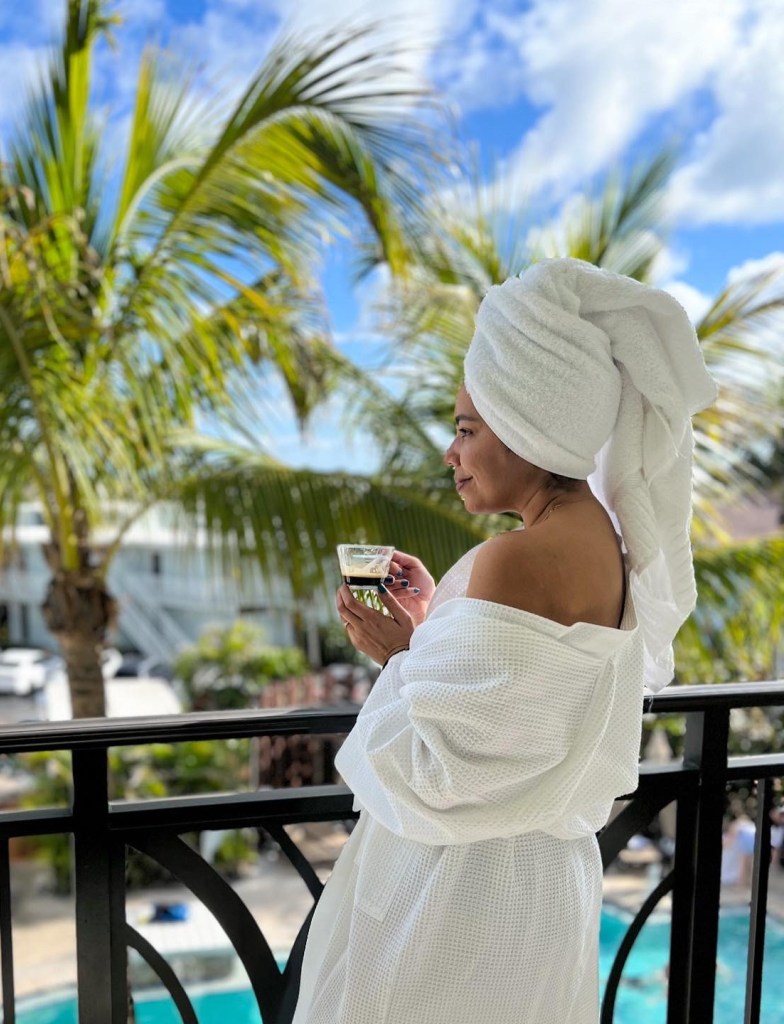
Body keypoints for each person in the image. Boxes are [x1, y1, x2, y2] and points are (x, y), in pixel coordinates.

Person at [291, 258, 717, 1024]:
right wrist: (439, 621)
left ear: (529, 425)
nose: (450, 453)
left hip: (460, 902)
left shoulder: (515, 558)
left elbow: (441, 772)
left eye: (466, 429)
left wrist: (398, 658)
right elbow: (513, 713)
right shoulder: (605, 545)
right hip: (542, 891)